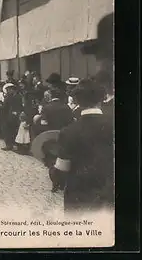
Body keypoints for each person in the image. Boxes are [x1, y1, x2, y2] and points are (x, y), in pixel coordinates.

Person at [50, 79, 114, 212]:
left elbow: (61, 170)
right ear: (101, 99)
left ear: (77, 101)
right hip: (109, 194)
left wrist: (52, 171)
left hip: (79, 196)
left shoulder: (68, 132)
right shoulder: (113, 124)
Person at [0, 83, 23, 151]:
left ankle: (11, 144)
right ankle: (9, 145)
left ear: (12, 89)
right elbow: (5, 107)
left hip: (14, 116)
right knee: (8, 131)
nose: (7, 91)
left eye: (9, 90)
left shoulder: (18, 96)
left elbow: (19, 106)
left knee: (11, 131)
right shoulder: (9, 96)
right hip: (7, 116)